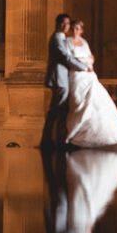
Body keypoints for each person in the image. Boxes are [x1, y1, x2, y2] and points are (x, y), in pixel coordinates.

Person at [64, 20, 117, 149]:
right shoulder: (67, 42)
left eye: (77, 28)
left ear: (81, 30)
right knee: (78, 103)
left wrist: (88, 64)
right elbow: (69, 59)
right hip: (77, 76)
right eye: (73, 28)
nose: (75, 31)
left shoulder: (84, 42)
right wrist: (83, 64)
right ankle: (75, 133)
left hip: (88, 76)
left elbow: (91, 57)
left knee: (96, 104)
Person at [41, 13, 92, 149]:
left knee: (58, 111)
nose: (66, 26)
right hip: (59, 78)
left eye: (67, 24)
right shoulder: (58, 38)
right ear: (57, 24)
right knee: (59, 111)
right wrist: (84, 67)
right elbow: (66, 58)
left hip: (62, 78)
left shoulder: (61, 37)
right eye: (63, 23)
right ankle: (57, 141)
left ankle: (53, 140)